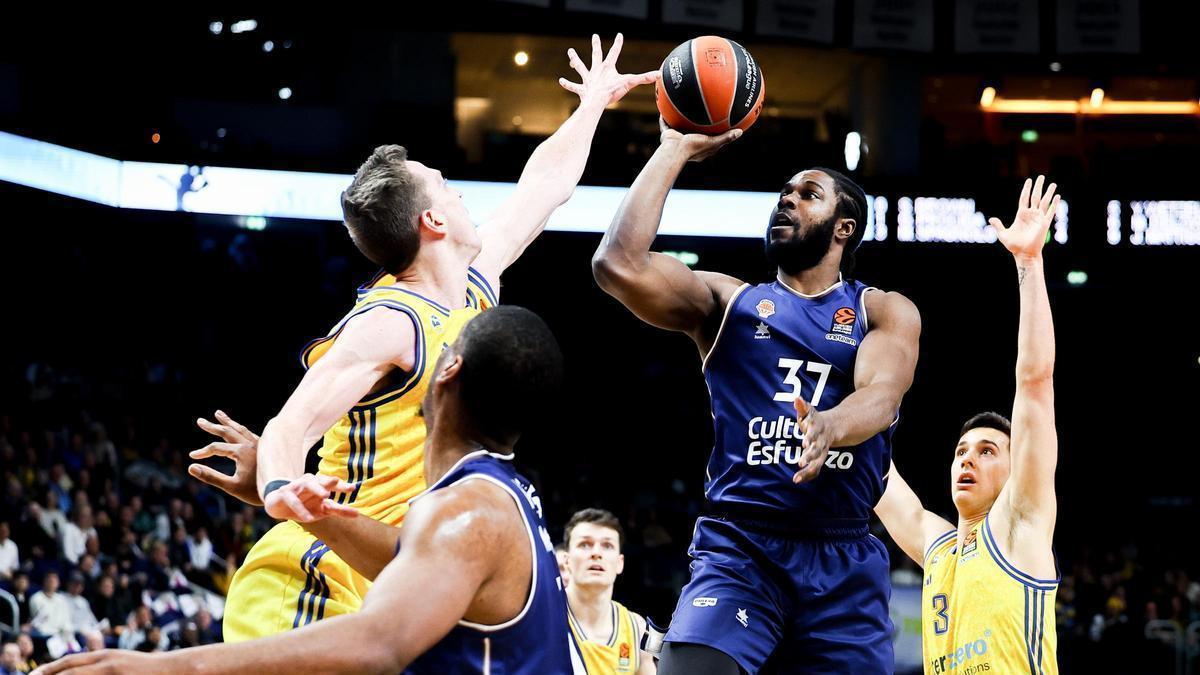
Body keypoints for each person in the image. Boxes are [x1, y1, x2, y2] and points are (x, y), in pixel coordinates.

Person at [190, 34, 655, 643]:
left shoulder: (474, 285)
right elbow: (290, 426)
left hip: (396, 580)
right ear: (432, 222)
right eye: (445, 185)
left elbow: (543, 186)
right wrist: (281, 488)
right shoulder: (388, 322)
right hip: (316, 581)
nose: (459, 192)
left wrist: (593, 103)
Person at [36, 307, 585, 674]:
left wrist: (160, 665)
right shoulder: (495, 499)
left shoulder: (468, 511)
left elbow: (379, 642)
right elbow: (410, 564)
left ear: (449, 371)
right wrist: (310, 510)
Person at [591, 122, 921, 673]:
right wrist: (673, 150)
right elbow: (617, 265)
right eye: (784, 194)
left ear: (844, 227)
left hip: (842, 556)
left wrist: (831, 425)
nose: (787, 200)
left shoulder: (881, 310)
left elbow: (884, 394)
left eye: (807, 194)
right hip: (741, 546)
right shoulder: (728, 303)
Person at [873, 176, 1062, 673]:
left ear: (1014, 469)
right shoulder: (938, 550)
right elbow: (880, 480)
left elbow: (1036, 381)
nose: (967, 459)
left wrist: (1028, 264)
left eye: (986, 451)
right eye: (961, 451)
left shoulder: (1021, 523)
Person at [562, 508, 656, 675]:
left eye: (607, 545)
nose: (596, 553)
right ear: (567, 561)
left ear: (620, 563)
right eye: (585, 544)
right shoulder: (543, 617)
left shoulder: (637, 628)